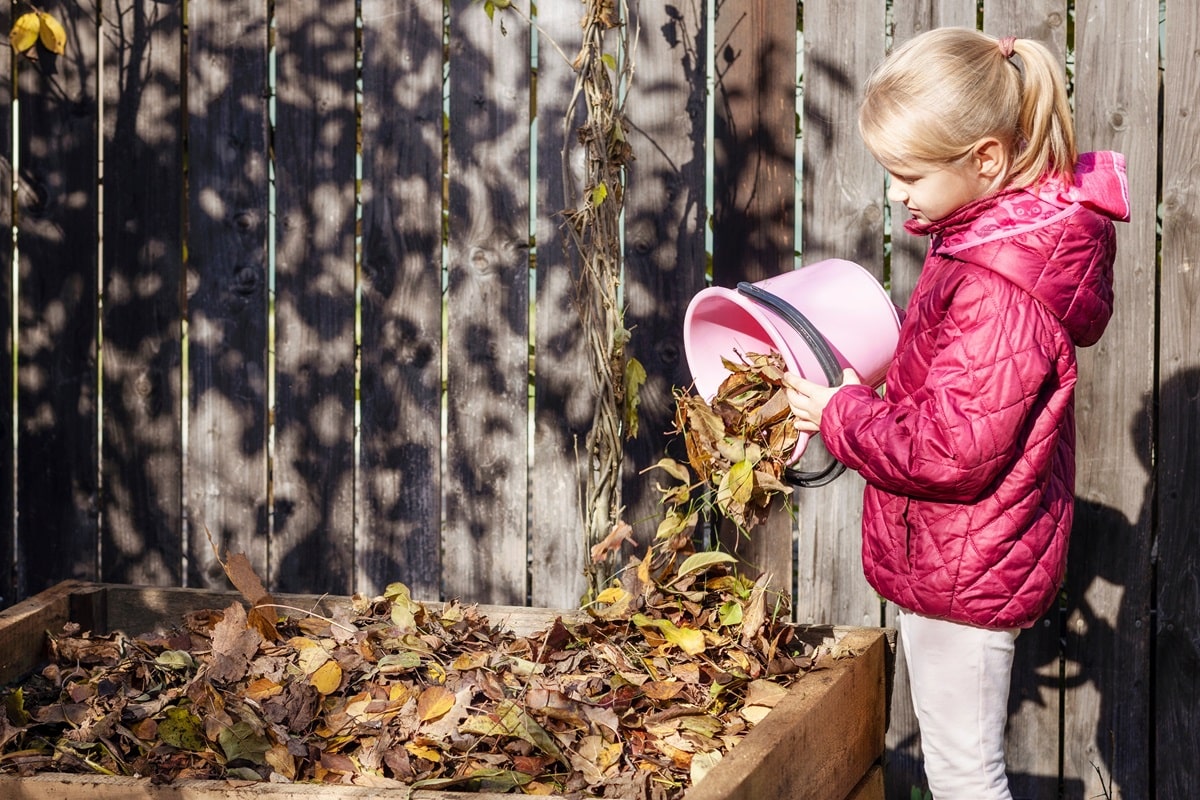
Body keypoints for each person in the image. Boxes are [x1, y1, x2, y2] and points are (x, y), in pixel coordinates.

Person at [783, 28, 1129, 800]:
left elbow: (950, 447)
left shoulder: (1000, 283)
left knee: (966, 776)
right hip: (957, 558)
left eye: (908, 174)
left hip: (966, 568)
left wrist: (841, 414)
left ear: (984, 160)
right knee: (957, 764)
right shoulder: (984, 240)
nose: (898, 192)